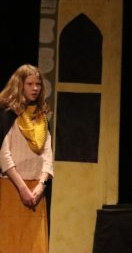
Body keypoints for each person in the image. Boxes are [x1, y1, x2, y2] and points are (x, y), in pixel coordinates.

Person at [0, 64, 53, 253]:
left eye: (38, 84)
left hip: (36, 191)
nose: (35, 88)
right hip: (12, 187)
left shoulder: (42, 116)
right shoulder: (8, 115)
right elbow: (4, 155)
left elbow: (48, 154)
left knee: (34, 246)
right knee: (10, 241)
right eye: (30, 83)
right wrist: (23, 189)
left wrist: (40, 186)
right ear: (19, 85)